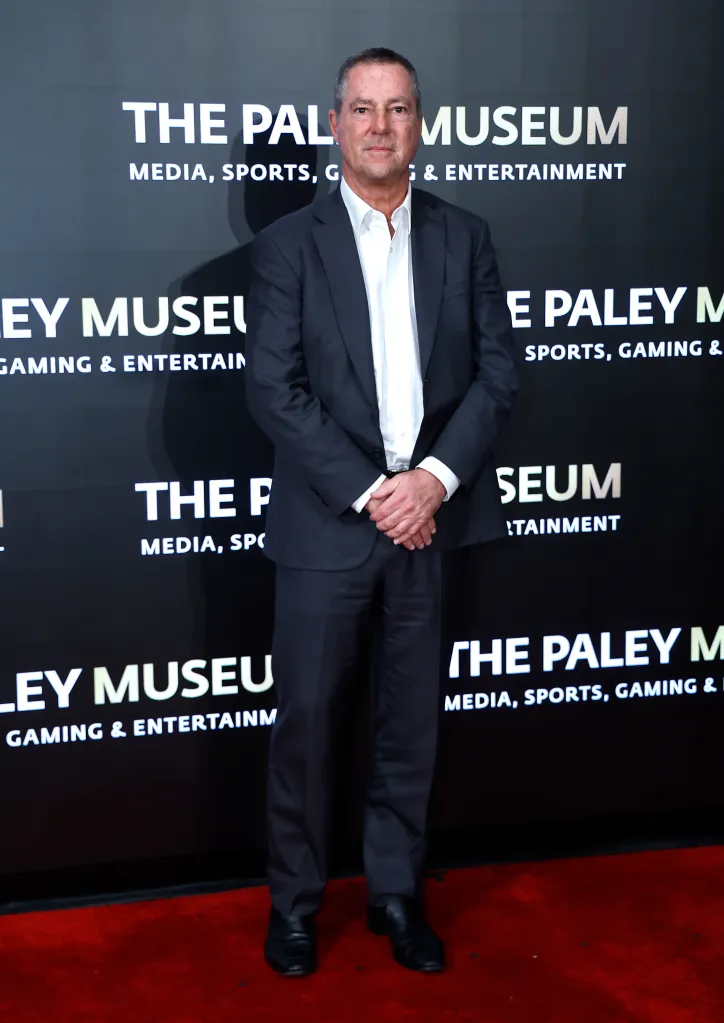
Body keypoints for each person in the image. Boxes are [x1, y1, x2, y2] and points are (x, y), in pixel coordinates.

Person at [245, 46, 518, 977]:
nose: (379, 127)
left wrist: (432, 480)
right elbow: (275, 391)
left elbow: (498, 374)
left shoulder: (465, 235)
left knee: (410, 724)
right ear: (335, 125)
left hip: (429, 524)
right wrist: (375, 493)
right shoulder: (289, 245)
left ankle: (396, 893)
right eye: (362, 109)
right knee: (308, 727)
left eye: (397, 109)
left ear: (419, 126)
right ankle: (294, 903)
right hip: (330, 525)